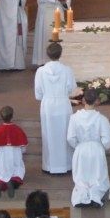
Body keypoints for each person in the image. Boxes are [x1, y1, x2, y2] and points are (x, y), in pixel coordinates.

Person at [67, 88, 110, 208]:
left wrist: (78, 146)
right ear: (97, 101)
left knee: (81, 177)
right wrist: (103, 146)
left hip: (81, 149)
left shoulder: (74, 118)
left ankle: (80, 198)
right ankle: (95, 197)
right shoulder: (102, 119)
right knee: (97, 176)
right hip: (97, 149)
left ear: (83, 100)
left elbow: (70, 137)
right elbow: (107, 138)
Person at [34, 43, 76, 174]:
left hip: (48, 105)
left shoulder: (41, 71)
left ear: (47, 54)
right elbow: (72, 89)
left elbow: (38, 93)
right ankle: (65, 165)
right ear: (60, 54)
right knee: (64, 134)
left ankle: (49, 166)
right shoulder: (67, 70)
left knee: (49, 135)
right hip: (63, 104)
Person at [0, 106, 28, 199]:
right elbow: (23, 148)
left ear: (1, 116)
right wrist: (19, 152)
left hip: (2, 160)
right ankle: (12, 183)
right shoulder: (18, 130)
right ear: (12, 116)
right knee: (17, 174)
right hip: (15, 159)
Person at [32, 0, 69, 67]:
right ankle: (44, 60)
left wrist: (64, 2)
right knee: (46, 37)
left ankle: (58, 59)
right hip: (46, 15)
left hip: (58, 13)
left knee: (58, 36)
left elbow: (67, 1)